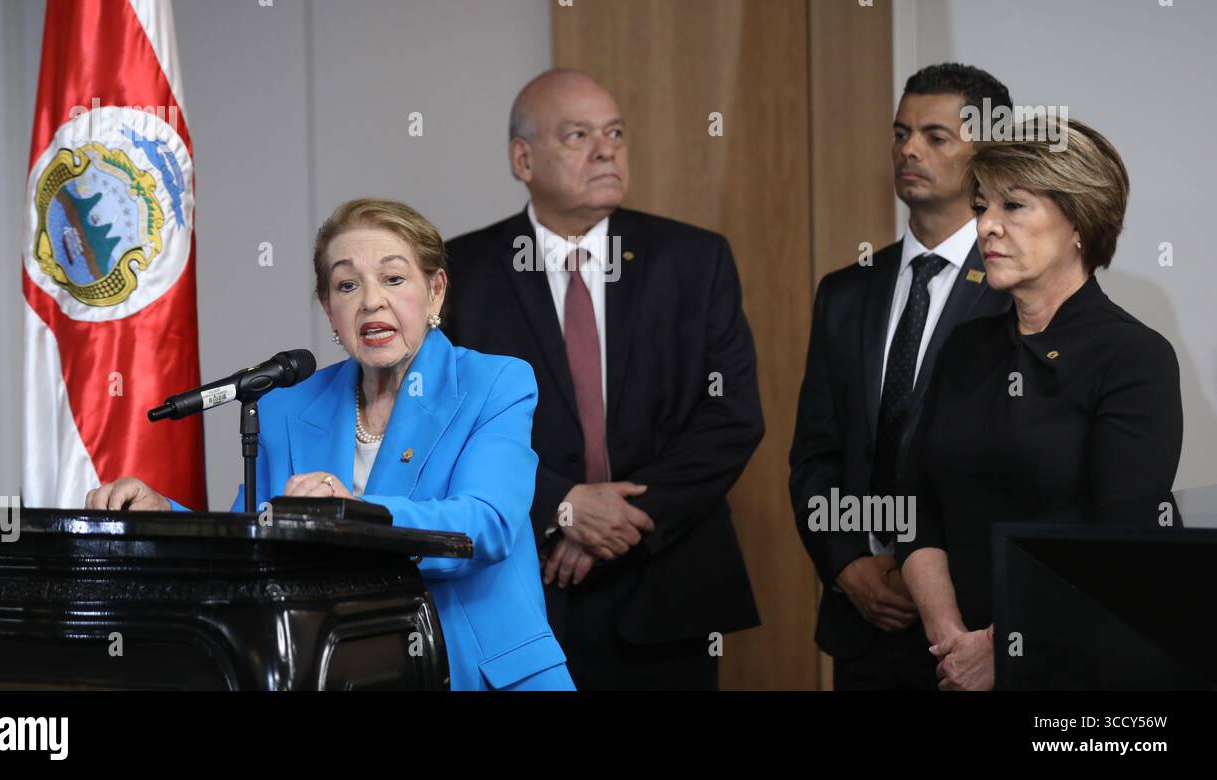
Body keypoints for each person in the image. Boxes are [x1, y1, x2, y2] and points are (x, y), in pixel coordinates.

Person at [86, 198, 575, 692]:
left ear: (435, 293)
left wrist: (354, 516)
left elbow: (483, 527)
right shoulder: (286, 408)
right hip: (344, 674)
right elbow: (249, 547)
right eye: (346, 285)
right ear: (329, 310)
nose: (370, 301)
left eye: (393, 278)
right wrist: (163, 516)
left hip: (475, 671)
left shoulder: (495, 383)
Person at [445, 69, 763, 690]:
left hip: (668, 587)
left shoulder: (696, 260)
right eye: (578, 135)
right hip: (520, 588)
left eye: (615, 132)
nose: (607, 149)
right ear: (522, 158)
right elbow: (449, 426)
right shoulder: (461, 272)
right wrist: (561, 505)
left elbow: (731, 417)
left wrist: (617, 523)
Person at [896, 117, 1183, 691]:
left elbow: (1119, 548)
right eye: (982, 207)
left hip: (1077, 669)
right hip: (947, 662)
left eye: (1014, 206)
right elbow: (914, 504)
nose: (987, 228)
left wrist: (1003, 652)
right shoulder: (967, 345)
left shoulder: (1134, 357)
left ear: (1079, 220)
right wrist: (952, 641)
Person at [789, 63, 1014, 690]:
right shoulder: (845, 291)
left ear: (987, 150)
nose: (908, 149)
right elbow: (816, 455)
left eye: (935, 136)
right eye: (900, 132)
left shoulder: (1018, 290)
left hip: (977, 630)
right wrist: (848, 565)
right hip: (863, 625)